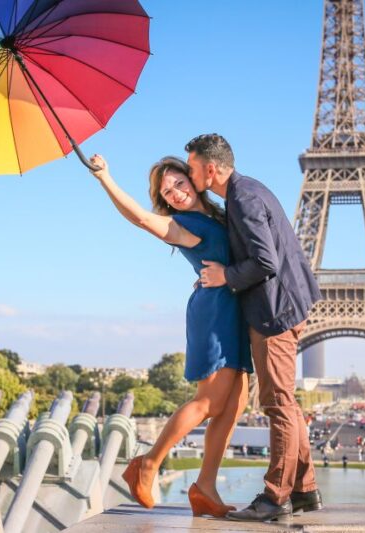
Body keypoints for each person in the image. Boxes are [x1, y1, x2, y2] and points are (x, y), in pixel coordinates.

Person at [88, 154, 253, 518]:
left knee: (236, 403)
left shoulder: (219, 213)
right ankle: (147, 464)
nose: (175, 193)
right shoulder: (180, 224)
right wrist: (106, 178)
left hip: (232, 310)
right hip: (214, 312)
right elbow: (141, 218)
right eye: (167, 191)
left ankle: (206, 486)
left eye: (179, 182)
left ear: (192, 179)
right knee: (209, 402)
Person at [185, 134, 322, 521]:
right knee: (287, 403)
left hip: (273, 311)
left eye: (192, 168)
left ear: (210, 169)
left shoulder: (242, 199)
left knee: (277, 404)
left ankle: (275, 498)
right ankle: (306, 488)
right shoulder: (247, 189)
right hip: (283, 305)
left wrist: (225, 275)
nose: (190, 174)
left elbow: (266, 261)